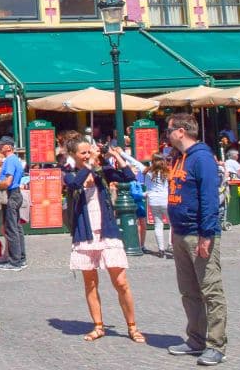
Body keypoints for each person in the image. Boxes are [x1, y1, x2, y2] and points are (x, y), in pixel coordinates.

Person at [63, 139, 144, 344]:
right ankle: (98, 326)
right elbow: (74, 184)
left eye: (88, 151)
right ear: (73, 155)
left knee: (121, 282)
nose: (87, 155)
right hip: (85, 232)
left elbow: (129, 177)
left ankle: (132, 326)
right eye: (82, 153)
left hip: (107, 231)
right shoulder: (68, 172)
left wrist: (115, 156)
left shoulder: (101, 171)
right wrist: (90, 163)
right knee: (90, 283)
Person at [166, 113, 228, 366]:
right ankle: (196, 339)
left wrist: (207, 234)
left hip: (198, 234)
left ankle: (216, 345)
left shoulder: (201, 158)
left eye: (169, 130)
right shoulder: (179, 157)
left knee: (210, 290)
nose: (167, 134)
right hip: (180, 232)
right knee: (188, 291)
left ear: (181, 131)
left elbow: (209, 199)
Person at [0, 136, 27, 270]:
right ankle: (21, 259)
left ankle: (15, 262)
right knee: (17, 228)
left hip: (11, 195)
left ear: (8, 147)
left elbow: (8, 182)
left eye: (1, 145)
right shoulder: (15, 160)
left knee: (11, 229)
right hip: (16, 194)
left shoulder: (9, 160)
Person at [145, 153, 171, 257]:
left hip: (153, 200)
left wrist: (121, 153)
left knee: (158, 224)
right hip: (165, 200)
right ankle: (171, 244)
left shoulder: (149, 172)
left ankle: (161, 249)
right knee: (172, 224)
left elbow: (135, 162)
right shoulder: (166, 172)